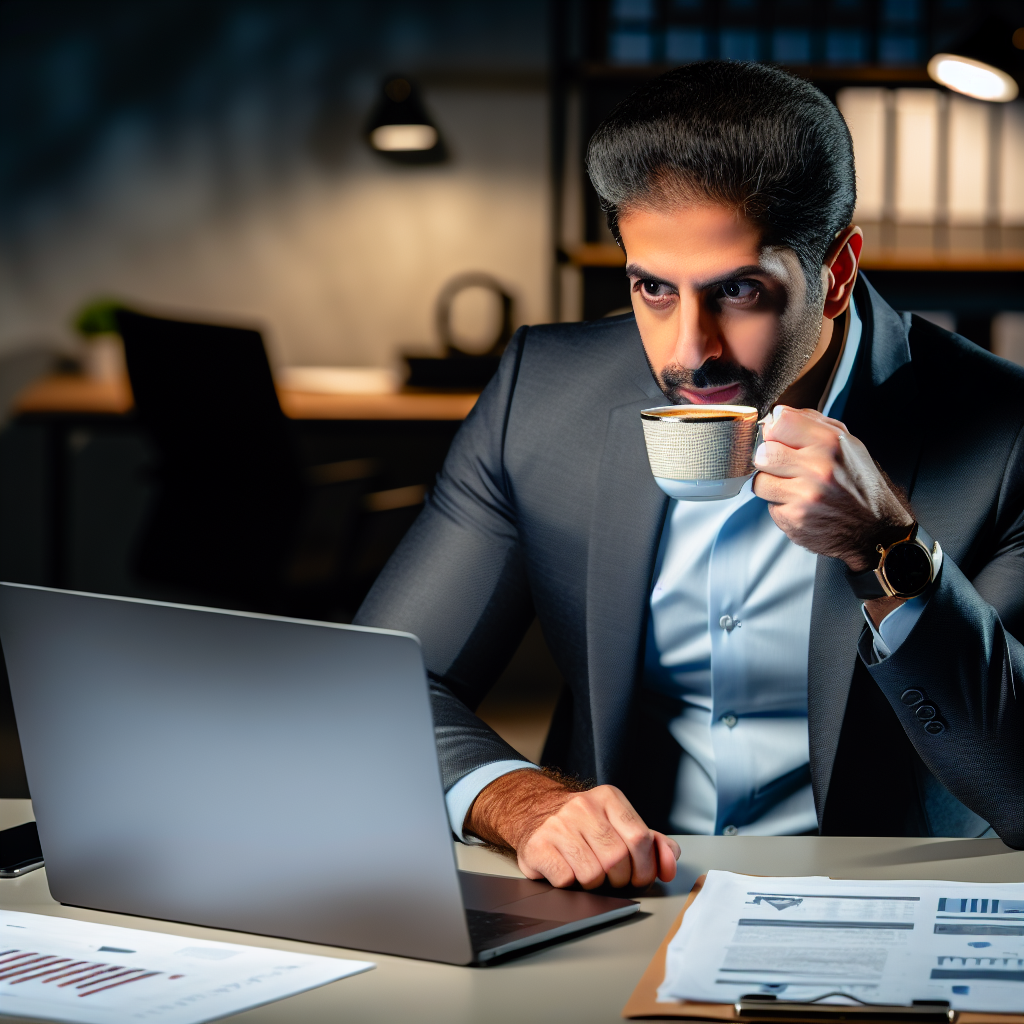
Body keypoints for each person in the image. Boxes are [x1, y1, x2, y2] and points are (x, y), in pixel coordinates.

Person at [355, 61, 1024, 888]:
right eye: (653, 289)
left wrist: (888, 549)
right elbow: (384, 683)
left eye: (739, 290)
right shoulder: (542, 395)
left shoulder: (1006, 431)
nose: (687, 352)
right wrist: (523, 803)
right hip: (615, 909)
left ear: (837, 272)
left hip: (877, 908)